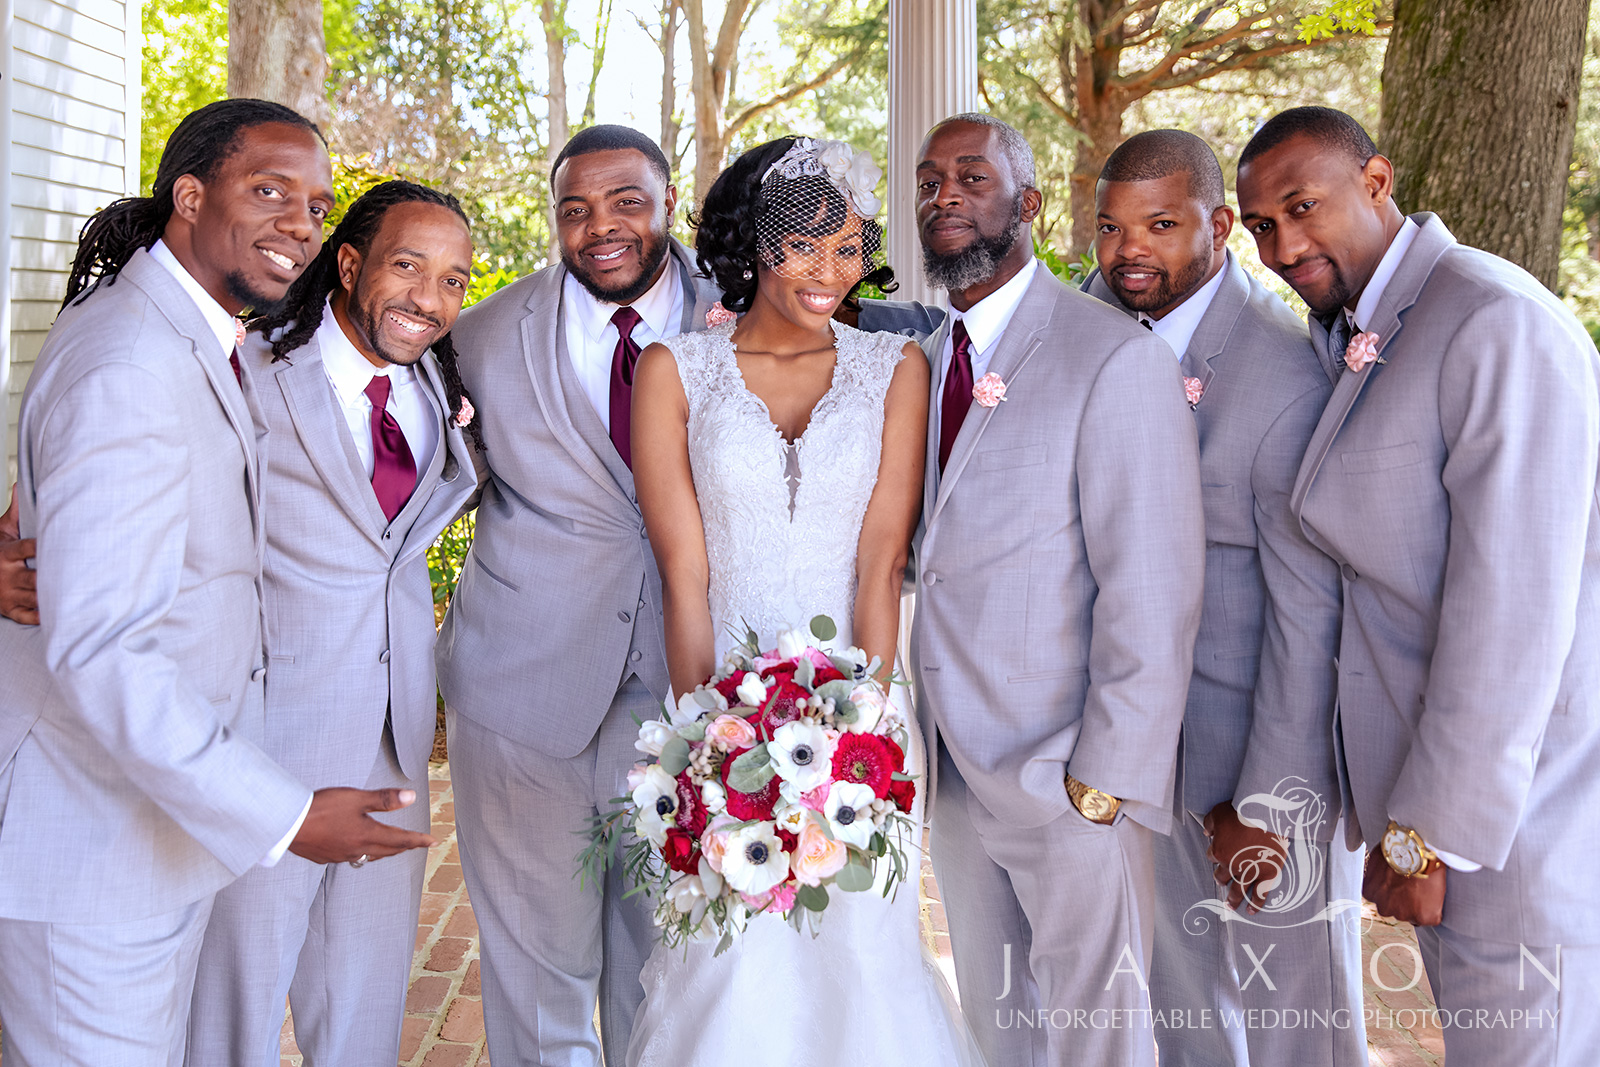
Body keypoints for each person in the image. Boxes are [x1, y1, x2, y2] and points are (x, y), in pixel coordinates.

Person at [437, 123, 935, 1066]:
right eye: (574, 210)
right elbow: (405, 471)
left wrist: (859, 723)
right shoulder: (482, 334)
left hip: (762, 711)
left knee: (683, 973)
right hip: (544, 695)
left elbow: (883, 547)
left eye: (628, 201)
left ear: (671, 205)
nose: (603, 227)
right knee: (545, 985)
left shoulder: (851, 341)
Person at [0, 99, 431, 1066]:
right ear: (189, 198)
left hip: (146, 832)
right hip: (91, 853)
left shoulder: (190, 334)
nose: (300, 225)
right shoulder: (131, 360)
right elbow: (105, 648)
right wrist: (285, 813)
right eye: (268, 190)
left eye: (316, 206)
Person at [1237, 105, 1600, 1066]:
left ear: (1378, 181)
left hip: (1521, 826)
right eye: (1262, 227)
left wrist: (1424, 839)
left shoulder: (1495, 322)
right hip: (1433, 805)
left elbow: (1510, 614)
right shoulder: (1364, 324)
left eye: (1303, 206)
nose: (1283, 243)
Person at [626, 133, 980, 1067]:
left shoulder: (892, 368)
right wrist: (706, 740)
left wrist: (863, 723)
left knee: (861, 956)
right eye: (802, 243)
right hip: (720, 708)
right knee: (733, 965)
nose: (830, 270)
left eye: (849, 244)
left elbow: (879, 559)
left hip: (862, 711)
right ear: (750, 241)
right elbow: (685, 574)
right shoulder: (674, 371)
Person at [910, 113, 1206, 1067]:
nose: (944, 195)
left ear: (1029, 205)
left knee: (1099, 1035)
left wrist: (1105, 780)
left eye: (970, 177)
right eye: (927, 182)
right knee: (1001, 1024)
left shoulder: (1114, 355)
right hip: (951, 767)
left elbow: (1152, 587)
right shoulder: (919, 360)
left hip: (1070, 778)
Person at [182, 181, 482, 1067]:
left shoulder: (437, 385)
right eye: (407, 267)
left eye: (454, 280)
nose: (429, 298)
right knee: (232, 1012)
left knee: (363, 1010)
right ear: (348, 264)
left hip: (392, 746)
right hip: (266, 742)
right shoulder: (251, 371)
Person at [1085, 129, 1364, 1067]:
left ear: (1218, 229)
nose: (1129, 251)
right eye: (1112, 228)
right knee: (1183, 1019)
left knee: (1299, 1028)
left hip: (1260, 766)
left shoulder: (1282, 375)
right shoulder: (1090, 333)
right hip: (1143, 760)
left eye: (1159, 226)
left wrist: (1268, 805)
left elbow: (1309, 615)